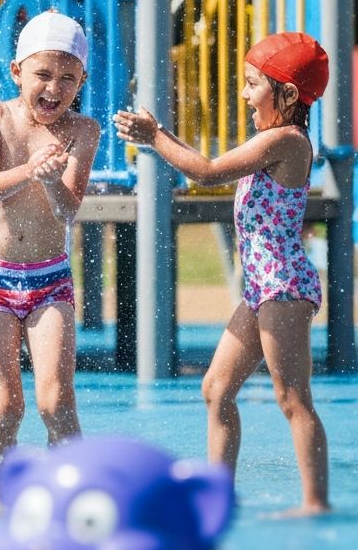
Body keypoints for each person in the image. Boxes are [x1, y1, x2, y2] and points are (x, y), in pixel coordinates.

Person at [114, 32, 331, 514]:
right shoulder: (271, 139)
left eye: (254, 84)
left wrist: (155, 137)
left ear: (289, 94)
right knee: (215, 390)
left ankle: (315, 503)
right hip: (260, 289)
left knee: (292, 397)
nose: (244, 93)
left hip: (283, 287)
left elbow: (208, 171)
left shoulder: (286, 141)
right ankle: (218, 496)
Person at [0, 10, 101, 511]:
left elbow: (69, 206)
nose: (54, 88)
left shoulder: (84, 131)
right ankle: (0, 509)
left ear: (82, 80)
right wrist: (30, 168)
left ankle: (74, 505)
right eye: (43, 74)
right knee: (5, 407)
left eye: (68, 78)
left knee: (56, 402)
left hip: (49, 279)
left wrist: (50, 180)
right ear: (17, 71)